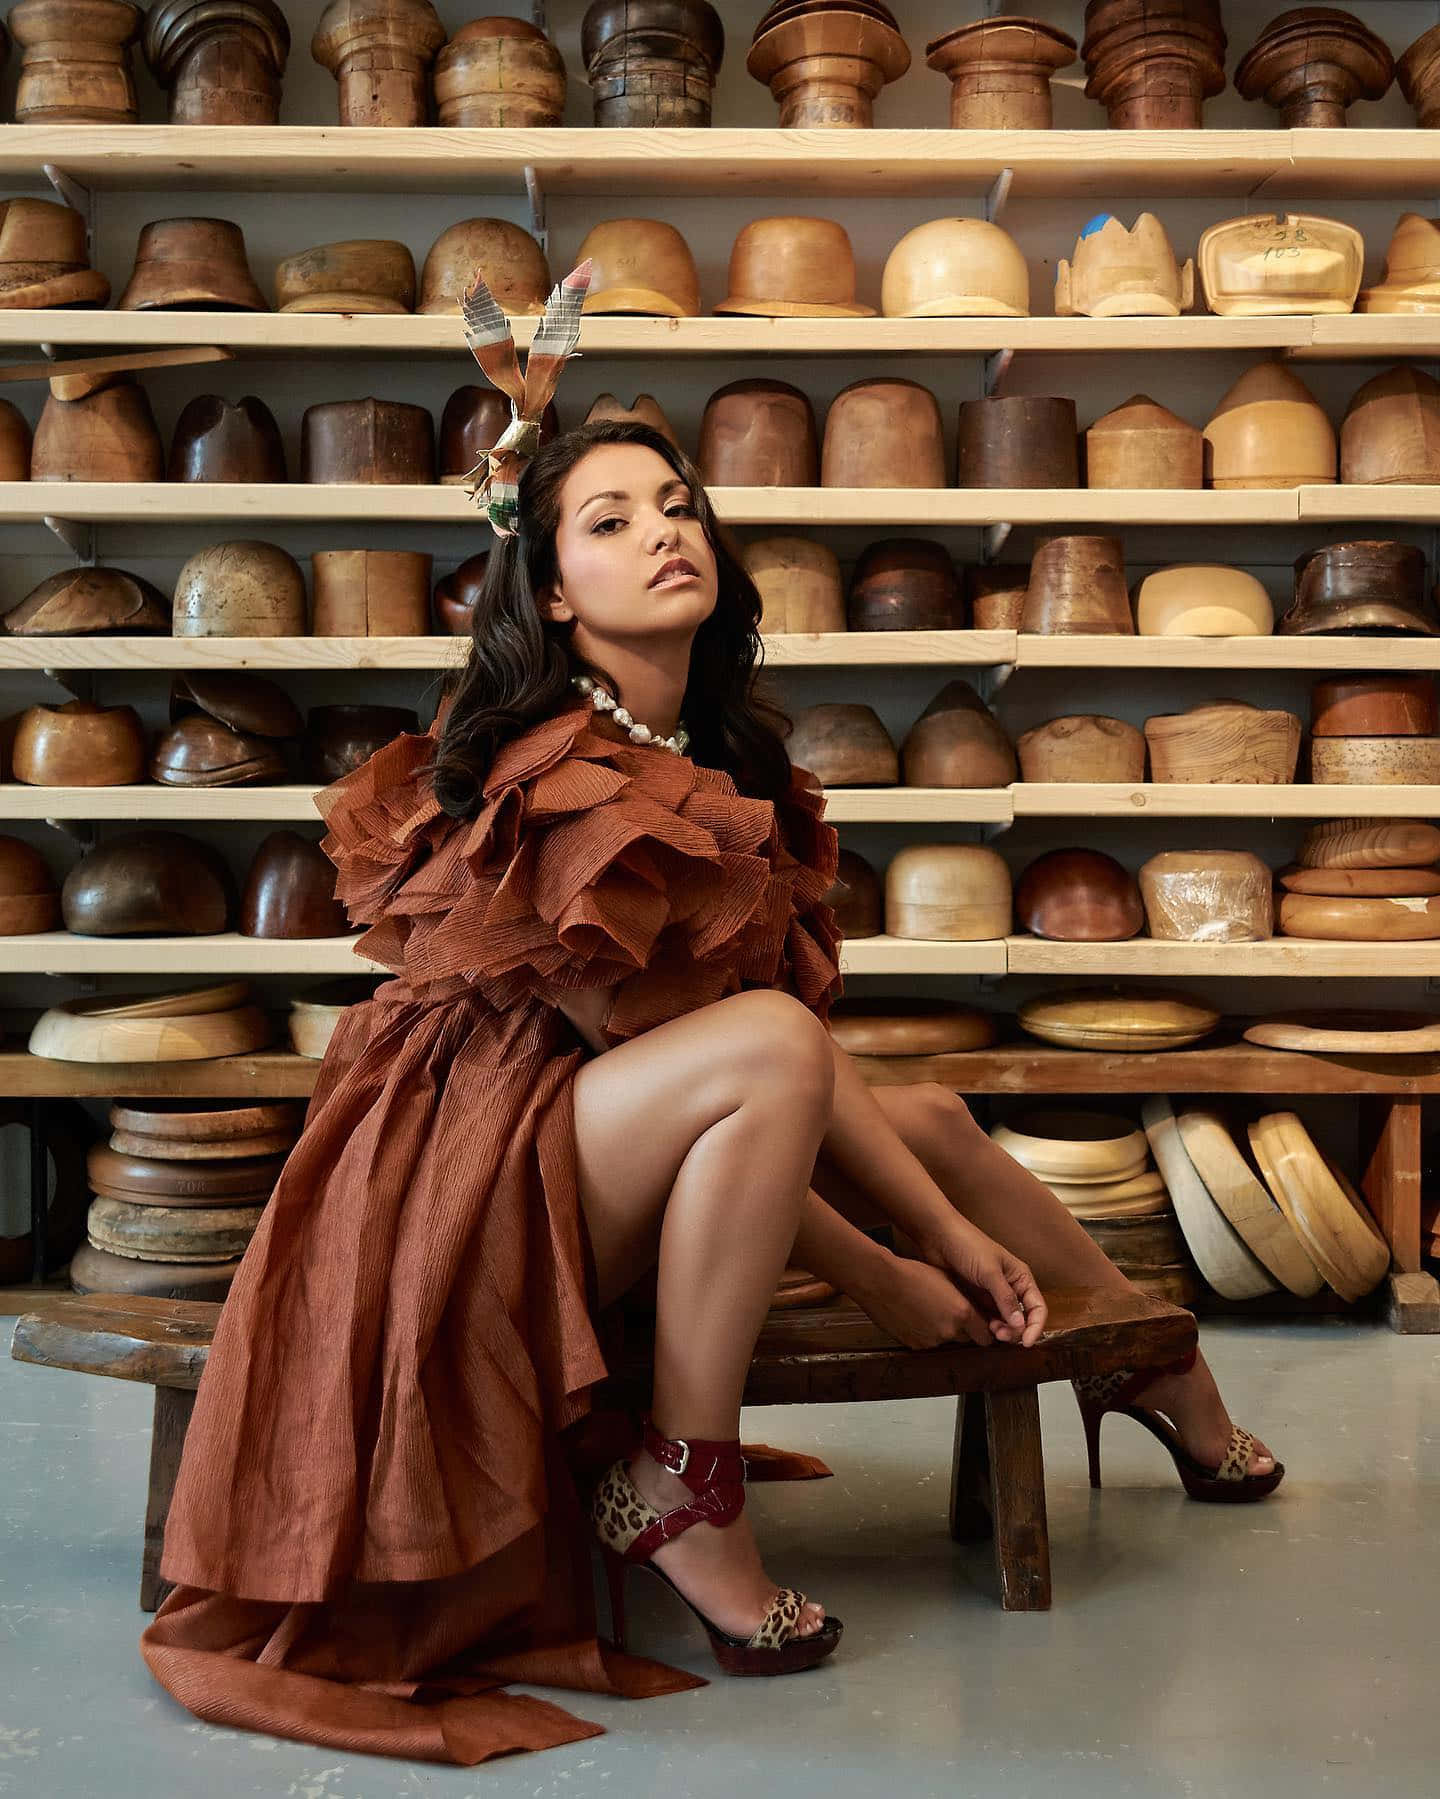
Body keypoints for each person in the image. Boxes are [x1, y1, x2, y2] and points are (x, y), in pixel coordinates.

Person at [140, 267, 1280, 1770]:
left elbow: (748, 1066)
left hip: (607, 1136)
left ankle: (1157, 1375)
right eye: (610, 522)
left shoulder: (708, 750)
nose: (664, 530)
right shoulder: (550, 768)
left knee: (928, 1119)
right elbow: (721, 1063)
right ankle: (679, 1479)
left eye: (675, 504)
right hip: (462, 1176)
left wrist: (931, 1216)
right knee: (793, 1065)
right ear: (550, 592)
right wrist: (892, 1262)